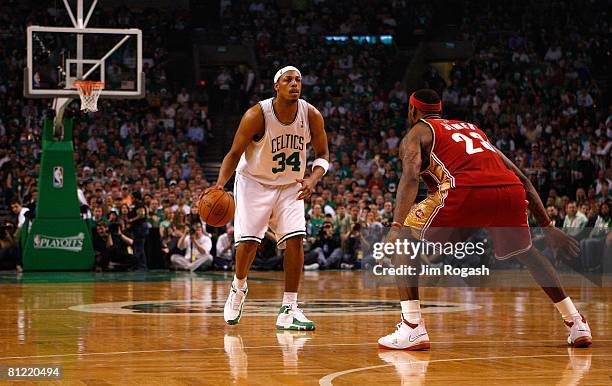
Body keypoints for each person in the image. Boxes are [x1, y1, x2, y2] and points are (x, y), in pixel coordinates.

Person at [378, 89, 592, 350]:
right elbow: (523, 179)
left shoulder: (417, 133)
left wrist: (396, 226)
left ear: (412, 110)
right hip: (509, 191)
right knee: (527, 252)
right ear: (441, 110)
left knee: (404, 241)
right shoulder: (472, 128)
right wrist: (547, 226)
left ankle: (412, 327)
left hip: (465, 190)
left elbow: (410, 177)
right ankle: (576, 322)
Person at [203, 65, 329, 330]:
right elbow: (234, 153)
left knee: (296, 240)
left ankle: (289, 308)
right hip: (254, 183)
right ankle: (238, 288)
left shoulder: (312, 115)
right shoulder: (256, 115)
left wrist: (313, 178)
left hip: (290, 185)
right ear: (277, 86)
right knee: (248, 245)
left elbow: (323, 155)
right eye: (288, 80)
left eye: (298, 80)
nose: (295, 84)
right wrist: (218, 186)